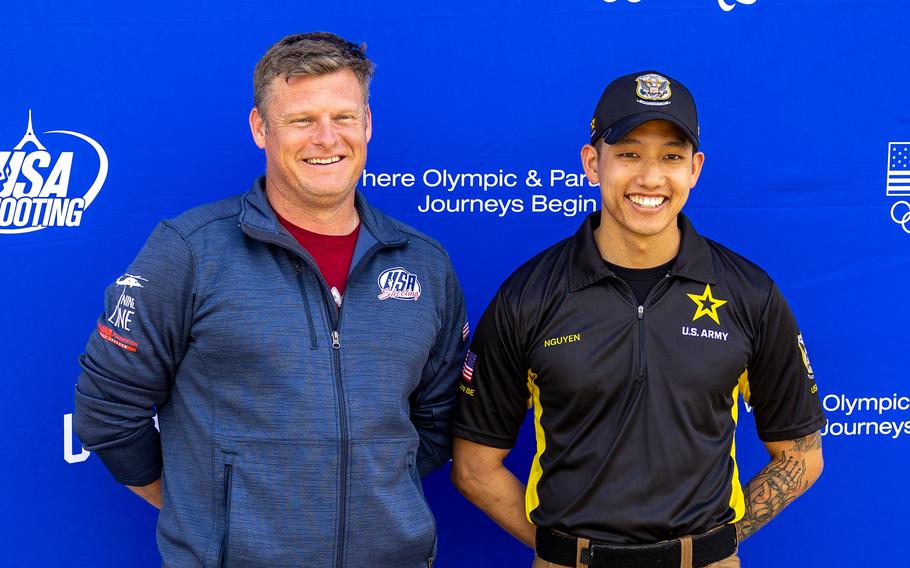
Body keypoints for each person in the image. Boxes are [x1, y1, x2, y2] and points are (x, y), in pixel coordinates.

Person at [74, 32, 467, 568]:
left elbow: (437, 418)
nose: (326, 139)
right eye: (302, 120)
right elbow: (108, 411)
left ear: (368, 124)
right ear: (261, 128)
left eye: (344, 118)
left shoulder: (424, 261)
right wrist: (208, 512)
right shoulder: (190, 249)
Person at [450, 70, 825, 568]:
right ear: (592, 163)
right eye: (628, 153)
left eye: (671, 156)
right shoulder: (529, 295)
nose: (650, 178)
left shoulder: (749, 293)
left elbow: (801, 454)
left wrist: (713, 546)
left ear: (695, 168)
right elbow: (475, 467)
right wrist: (567, 552)